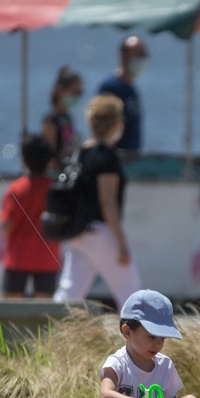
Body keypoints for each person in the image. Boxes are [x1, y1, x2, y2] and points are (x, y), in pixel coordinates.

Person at [53, 94, 143, 306]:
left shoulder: (81, 152)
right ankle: (144, 337)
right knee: (132, 294)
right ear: (116, 124)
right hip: (100, 232)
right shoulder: (106, 157)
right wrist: (122, 244)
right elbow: (108, 203)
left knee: (67, 296)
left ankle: (46, 335)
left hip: (79, 232)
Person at [0, 134, 61, 298]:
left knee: (10, 313)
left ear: (24, 160)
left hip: (18, 256)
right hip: (47, 256)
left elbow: (7, 226)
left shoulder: (15, 189)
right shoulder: (55, 189)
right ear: (49, 161)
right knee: (45, 315)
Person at [97, 36, 148, 155]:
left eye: (143, 55)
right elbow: (101, 128)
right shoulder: (111, 87)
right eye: (137, 54)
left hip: (132, 160)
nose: (141, 58)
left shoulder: (132, 89)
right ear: (123, 56)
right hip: (114, 159)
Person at [41, 65, 83, 168]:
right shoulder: (51, 120)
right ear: (60, 90)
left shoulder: (68, 118)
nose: (76, 96)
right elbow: (48, 155)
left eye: (79, 93)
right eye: (73, 92)